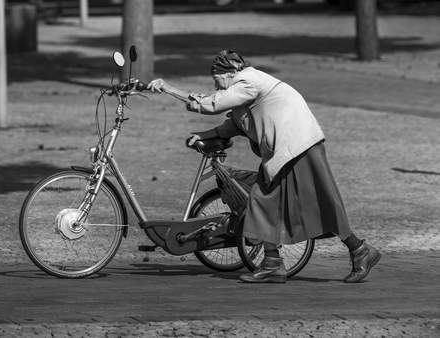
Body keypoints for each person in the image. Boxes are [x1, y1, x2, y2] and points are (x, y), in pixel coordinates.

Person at [147, 49, 381, 284]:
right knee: (281, 202)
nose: (216, 85)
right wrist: (202, 135)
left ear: (228, 73)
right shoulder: (246, 90)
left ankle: (345, 252)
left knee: (304, 201)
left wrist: (169, 89)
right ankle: (290, 260)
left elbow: (212, 104)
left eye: (216, 79)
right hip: (290, 150)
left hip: (298, 147)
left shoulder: (248, 81)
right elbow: (233, 126)